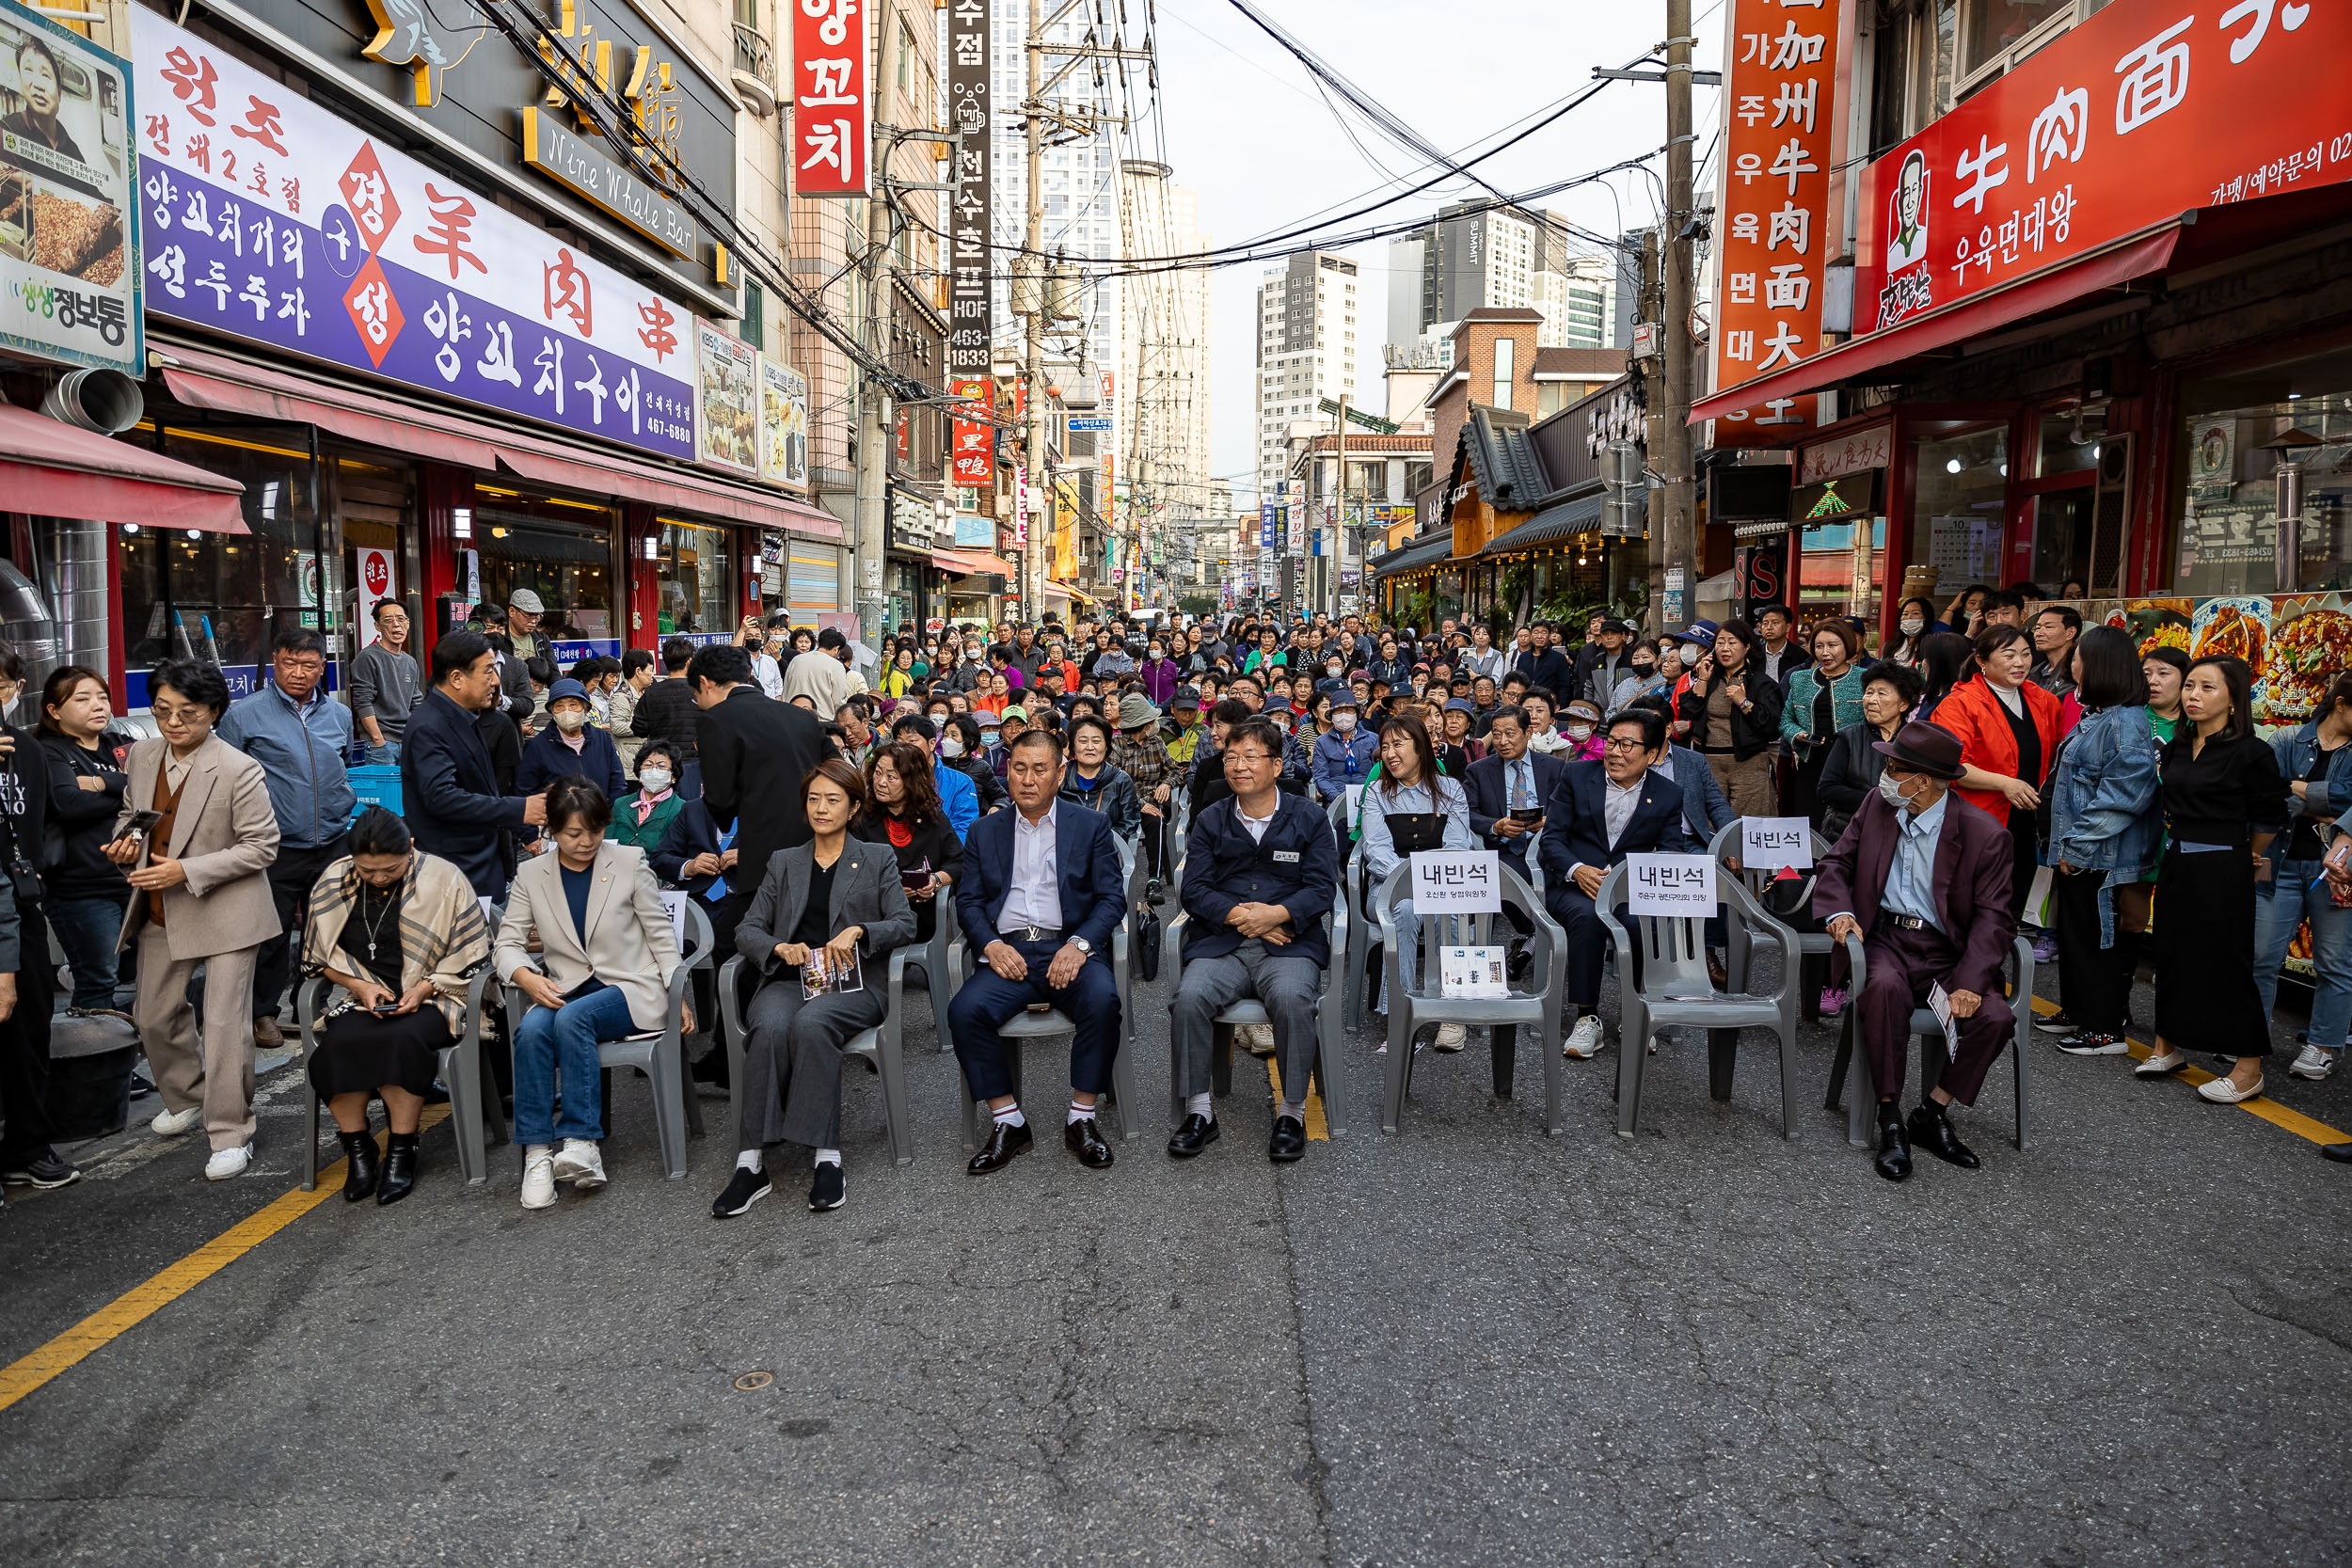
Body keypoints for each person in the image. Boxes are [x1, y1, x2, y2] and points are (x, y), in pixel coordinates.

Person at [709, 759, 915, 1217]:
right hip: (790, 977)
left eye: (833, 799)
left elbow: (905, 923)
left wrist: (861, 931)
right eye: (814, 799)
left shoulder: (877, 858)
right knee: (768, 1024)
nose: (821, 808)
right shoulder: (785, 862)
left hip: (853, 982)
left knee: (813, 1021)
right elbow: (748, 929)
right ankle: (751, 1162)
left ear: (855, 806)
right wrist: (779, 946)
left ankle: (826, 1155)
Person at [1814, 721, 2019, 1182]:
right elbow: (1836, 863)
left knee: (1996, 1017)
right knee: (1882, 989)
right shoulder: (1879, 806)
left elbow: (1994, 918)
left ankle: (1931, 1111)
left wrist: (1969, 981)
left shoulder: (1985, 834)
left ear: (1923, 780)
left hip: (1948, 951)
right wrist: (1838, 913)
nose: (1883, 776)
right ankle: (1890, 1117)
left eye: (1892, 768)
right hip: (1885, 938)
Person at [108, 660, 282, 1181]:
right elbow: (131, 814)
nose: (173, 722)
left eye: (188, 713)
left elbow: (262, 845)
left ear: (214, 713)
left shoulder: (237, 767)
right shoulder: (141, 755)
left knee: (227, 1025)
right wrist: (127, 842)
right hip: (161, 907)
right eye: (162, 711)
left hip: (227, 908)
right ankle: (187, 1095)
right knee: (154, 1013)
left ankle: (231, 1132)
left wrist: (187, 869)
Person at [495, 778, 686, 1210]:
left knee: (571, 1019)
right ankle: (538, 1152)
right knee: (529, 1031)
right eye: (573, 834)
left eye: (595, 831)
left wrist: (678, 993)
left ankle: (581, 1140)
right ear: (552, 832)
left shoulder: (629, 859)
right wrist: (526, 977)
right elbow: (506, 943)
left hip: (632, 986)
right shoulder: (531, 873)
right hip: (567, 986)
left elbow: (660, 935)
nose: (586, 842)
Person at [948, 728, 1128, 1176]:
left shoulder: (1090, 825)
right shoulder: (984, 830)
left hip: (1066, 947)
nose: (1027, 780)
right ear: (1007, 771)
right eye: (1019, 768)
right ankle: (1009, 1121)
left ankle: (1081, 1118)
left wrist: (1080, 944)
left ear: (1059, 772)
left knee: (1103, 1002)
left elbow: (1111, 899)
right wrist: (989, 943)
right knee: (965, 1010)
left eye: (1039, 770)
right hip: (1008, 952)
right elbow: (968, 902)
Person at [1166, 717, 1340, 1164]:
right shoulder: (1210, 819)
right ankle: (1200, 1112)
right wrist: (1243, 916)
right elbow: (1194, 888)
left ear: (1277, 765)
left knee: (1292, 999)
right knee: (1189, 998)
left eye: (1249, 757)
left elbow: (1321, 887)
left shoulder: (1309, 817)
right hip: (1222, 941)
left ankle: (1292, 1112)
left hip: (1288, 943)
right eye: (1230, 757)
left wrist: (1278, 914)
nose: (1238, 766)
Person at [299, 807, 489, 1206]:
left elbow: (474, 956)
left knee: (400, 1039)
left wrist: (423, 988)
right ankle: (359, 1148)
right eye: (368, 871)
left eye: (390, 868)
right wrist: (358, 986)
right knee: (338, 1045)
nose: (379, 878)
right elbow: (319, 958)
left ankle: (402, 1149)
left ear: (411, 849)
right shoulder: (334, 880)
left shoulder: (444, 879)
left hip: (437, 996)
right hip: (364, 999)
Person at [2124, 657, 2282, 1103]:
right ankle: (2167, 1046)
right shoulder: (2177, 744)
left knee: (2227, 962)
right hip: (2177, 861)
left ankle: (2248, 1068)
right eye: (2190, 686)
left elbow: (2269, 818)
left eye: (2207, 688)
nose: (2193, 695)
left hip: (2223, 865)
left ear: (2234, 699)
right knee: (2171, 954)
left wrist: (2241, 851)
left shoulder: (2254, 752)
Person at [216, 628, 356, 1054]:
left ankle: (310, 1005)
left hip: (332, 840)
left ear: (322, 668)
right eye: (290, 663)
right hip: (274, 845)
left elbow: (344, 763)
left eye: (309, 665)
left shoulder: (339, 715)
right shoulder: (244, 715)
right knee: (271, 935)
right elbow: (224, 780)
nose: (299, 673)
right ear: (275, 661)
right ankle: (263, 1013)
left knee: (328, 929)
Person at [1537, 706, 1698, 1060]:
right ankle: (1586, 1016)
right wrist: (1577, 870)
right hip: (1576, 885)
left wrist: (1629, 879)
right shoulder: (1577, 776)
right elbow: (1552, 840)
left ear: (1652, 754)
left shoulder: (1668, 794)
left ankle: (1637, 1012)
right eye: (1612, 742)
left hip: (1630, 889)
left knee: (1641, 922)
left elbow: (1671, 852)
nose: (1615, 752)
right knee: (1587, 919)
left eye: (1627, 745)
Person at [2044, 627, 2162, 1058]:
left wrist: (2075, 847)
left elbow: (2124, 794)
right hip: (2083, 851)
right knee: (2076, 934)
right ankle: (2078, 1010)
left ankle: (2103, 1027)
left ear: (2098, 666)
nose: (2071, 664)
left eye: (2077, 657)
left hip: (2101, 855)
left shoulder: (2124, 722)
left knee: (2099, 938)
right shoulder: (2100, 715)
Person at [695, 641, 831, 943]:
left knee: (730, 945)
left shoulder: (714, 720)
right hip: (820, 845)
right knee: (805, 936)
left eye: (696, 696)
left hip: (763, 858)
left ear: (704, 683)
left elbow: (721, 803)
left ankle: (761, 991)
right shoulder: (799, 716)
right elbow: (837, 769)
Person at [403, 629, 548, 902]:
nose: (496, 681)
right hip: (454, 872)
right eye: (488, 671)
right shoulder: (429, 725)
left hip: (478, 865)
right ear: (457, 678)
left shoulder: (467, 717)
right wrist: (519, 809)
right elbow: (441, 798)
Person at [1358, 714, 1474, 1052]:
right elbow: (1376, 849)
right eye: (1384, 746)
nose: (1390, 753)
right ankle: (1400, 1012)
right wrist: (1409, 881)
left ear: (1420, 748)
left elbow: (1457, 845)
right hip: (1389, 884)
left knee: (1448, 910)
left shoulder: (1449, 788)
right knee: (1406, 909)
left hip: (1441, 881)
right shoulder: (1378, 791)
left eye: (1398, 744)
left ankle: (1452, 1010)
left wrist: (1429, 882)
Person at [1933, 625, 2064, 924]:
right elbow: (1951, 765)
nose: (2020, 663)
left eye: (2026, 654)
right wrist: (2005, 783)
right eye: (2009, 655)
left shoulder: (2045, 701)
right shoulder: (1960, 702)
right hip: (1978, 819)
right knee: (1976, 904)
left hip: (2030, 821)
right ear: (1981, 660)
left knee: (2015, 905)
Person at [37, 665, 135, 1017]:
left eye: (103, 697)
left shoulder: (121, 745)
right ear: (54, 710)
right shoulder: (48, 751)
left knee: (151, 975)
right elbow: (67, 802)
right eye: (83, 699)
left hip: (134, 880)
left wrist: (97, 783)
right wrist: (124, 788)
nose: (98, 706)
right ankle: (97, 1068)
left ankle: (122, 1060)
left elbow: (153, 791)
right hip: (80, 888)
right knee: (97, 980)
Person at [856, 740, 961, 945]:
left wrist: (934, 881)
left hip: (921, 912)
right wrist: (889, 889)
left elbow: (958, 862)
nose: (881, 782)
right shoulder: (863, 819)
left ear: (911, 782)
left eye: (891, 777)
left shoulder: (933, 818)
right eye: (878, 773)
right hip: (875, 912)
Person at [1677, 619, 1784, 818]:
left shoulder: (1762, 684)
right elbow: (1688, 712)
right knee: (1710, 825)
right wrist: (1702, 680)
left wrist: (1744, 702)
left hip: (1749, 763)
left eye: (1732, 642)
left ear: (1747, 647)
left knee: (1748, 827)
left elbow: (1771, 727)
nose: (1725, 649)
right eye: (1720, 643)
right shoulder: (1708, 678)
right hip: (1710, 763)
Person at [1817, 663, 1924, 842]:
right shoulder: (1849, 737)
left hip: (1900, 835)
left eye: (1881, 693)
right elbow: (1827, 789)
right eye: (1869, 692)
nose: (1871, 700)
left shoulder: (1915, 742)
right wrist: (1877, 799)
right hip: (1847, 833)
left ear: (1903, 704)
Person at [1464, 705, 1565, 890]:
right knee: (1508, 883)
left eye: (1510, 734)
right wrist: (1496, 826)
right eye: (1496, 735)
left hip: (1548, 845)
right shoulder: (1479, 770)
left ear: (1528, 732)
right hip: (1506, 850)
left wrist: (1548, 822)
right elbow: (1467, 814)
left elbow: (1568, 810)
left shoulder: (1554, 767)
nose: (1502, 741)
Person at [1780, 621, 1869, 822]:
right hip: (1810, 761)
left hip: (1851, 763)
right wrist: (1797, 734)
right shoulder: (1800, 678)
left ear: (1847, 645)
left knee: (1846, 822)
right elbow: (1786, 718)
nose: (1825, 652)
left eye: (1832, 645)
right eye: (1819, 646)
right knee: (1809, 821)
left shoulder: (1865, 678)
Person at [516, 675, 628, 802]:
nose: (567, 711)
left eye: (573, 705)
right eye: (559, 706)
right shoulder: (537, 746)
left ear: (585, 708)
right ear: (552, 711)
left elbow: (617, 783)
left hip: (600, 819)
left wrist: (613, 816)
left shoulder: (602, 739)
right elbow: (525, 792)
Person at [1111, 694, 1178, 888]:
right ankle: (1118, 880)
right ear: (1144, 723)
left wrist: (1167, 783)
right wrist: (1140, 804)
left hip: (1152, 801)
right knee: (1120, 829)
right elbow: (1115, 782)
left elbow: (1173, 770)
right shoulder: (1117, 745)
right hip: (1123, 804)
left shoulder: (1156, 743)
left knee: (1157, 821)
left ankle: (1153, 879)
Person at [350, 600, 423, 766]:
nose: (396, 625)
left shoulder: (410, 662)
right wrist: (378, 740)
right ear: (378, 626)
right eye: (388, 620)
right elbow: (362, 701)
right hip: (381, 745)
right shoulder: (368, 657)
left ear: (408, 623)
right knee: (385, 792)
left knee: (408, 791)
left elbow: (416, 703)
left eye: (401, 619)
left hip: (408, 741)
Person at [886, 715, 978, 841]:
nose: (904, 748)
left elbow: (963, 830)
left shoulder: (960, 783)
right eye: (900, 742)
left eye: (912, 741)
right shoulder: (889, 781)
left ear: (932, 744)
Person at [1057, 714, 1142, 844]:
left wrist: (1102, 840)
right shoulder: (1059, 777)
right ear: (1073, 746)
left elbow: (1129, 823)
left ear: (1107, 746)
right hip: (1064, 848)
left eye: (1096, 741)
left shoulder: (1120, 780)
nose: (1090, 747)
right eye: (1083, 741)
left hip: (1106, 850)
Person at [1, 35, 86, 161]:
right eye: (28, 70)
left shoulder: (73, 152)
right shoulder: (6, 131)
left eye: (45, 75)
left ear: (59, 93)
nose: (37, 84)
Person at [630, 637, 703, 768]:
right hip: (695, 762)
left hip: (662, 764)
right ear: (689, 662)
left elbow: (638, 729)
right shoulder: (702, 691)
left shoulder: (651, 692)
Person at [608, 739, 685, 854]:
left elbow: (675, 852)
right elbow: (607, 842)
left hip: (656, 870)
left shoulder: (681, 809)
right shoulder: (621, 804)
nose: (654, 770)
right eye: (648, 765)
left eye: (661, 766)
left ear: (673, 777)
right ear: (640, 773)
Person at [494, 591, 554, 727]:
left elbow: (553, 673)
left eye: (537, 616)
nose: (533, 621)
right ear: (511, 611)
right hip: (508, 702)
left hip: (537, 703)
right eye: (528, 615)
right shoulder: (500, 639)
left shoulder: (542, 640)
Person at [782, 626, 854, 715]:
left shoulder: (796, 660)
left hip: (793, 716)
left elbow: (785, 693)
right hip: (822, 721)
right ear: (836, 649)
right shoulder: (837, 666)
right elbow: (838, 701)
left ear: (818, 643)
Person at [610, 649, 657, 771]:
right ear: (638, 671)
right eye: (650, 670)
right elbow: (617, 726)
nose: (653, 675)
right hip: (629, 763)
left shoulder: (648, 693)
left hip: (647, 760)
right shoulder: (621, 696)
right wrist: (646, 728)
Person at [1914, 631, 1976, 722]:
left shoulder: (1956, 703)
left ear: (1938, 664)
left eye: (1926, 658)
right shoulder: (1931, 696)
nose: (1923, 663)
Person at [1750, 604, 1812, 690]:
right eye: (1765, 623)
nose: (1769, 627)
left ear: (1788, 627)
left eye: (1775, 623)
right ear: (1759, 627)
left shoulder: (1801, 657)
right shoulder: (1753, 655)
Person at [2030, 605, 2082, 699]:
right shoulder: (2035, 670)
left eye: (2049, 627)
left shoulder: (2074, 670)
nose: (2039, 633)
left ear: (2070, 633)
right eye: (2037, 628)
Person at [1887, 596, 1941, 668]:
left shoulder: (1932, 647)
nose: (1909, 617)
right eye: (1905, 614)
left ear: (1926, 617)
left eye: (1915, 613)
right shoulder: (1889, 646)